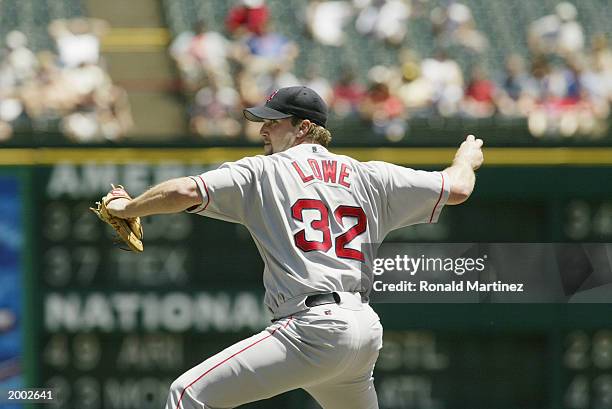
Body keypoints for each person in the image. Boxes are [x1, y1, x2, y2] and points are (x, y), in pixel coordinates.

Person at [104, 86, 484, 409]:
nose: (263, 130)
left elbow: (186, 191)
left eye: (273, 121)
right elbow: (459, 188)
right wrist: (465, 158)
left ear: (303, 127)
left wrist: (128, 206)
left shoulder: (263, 171)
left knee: (187, 395)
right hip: (363, 330)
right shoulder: (372, 175)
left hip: (311, 329)